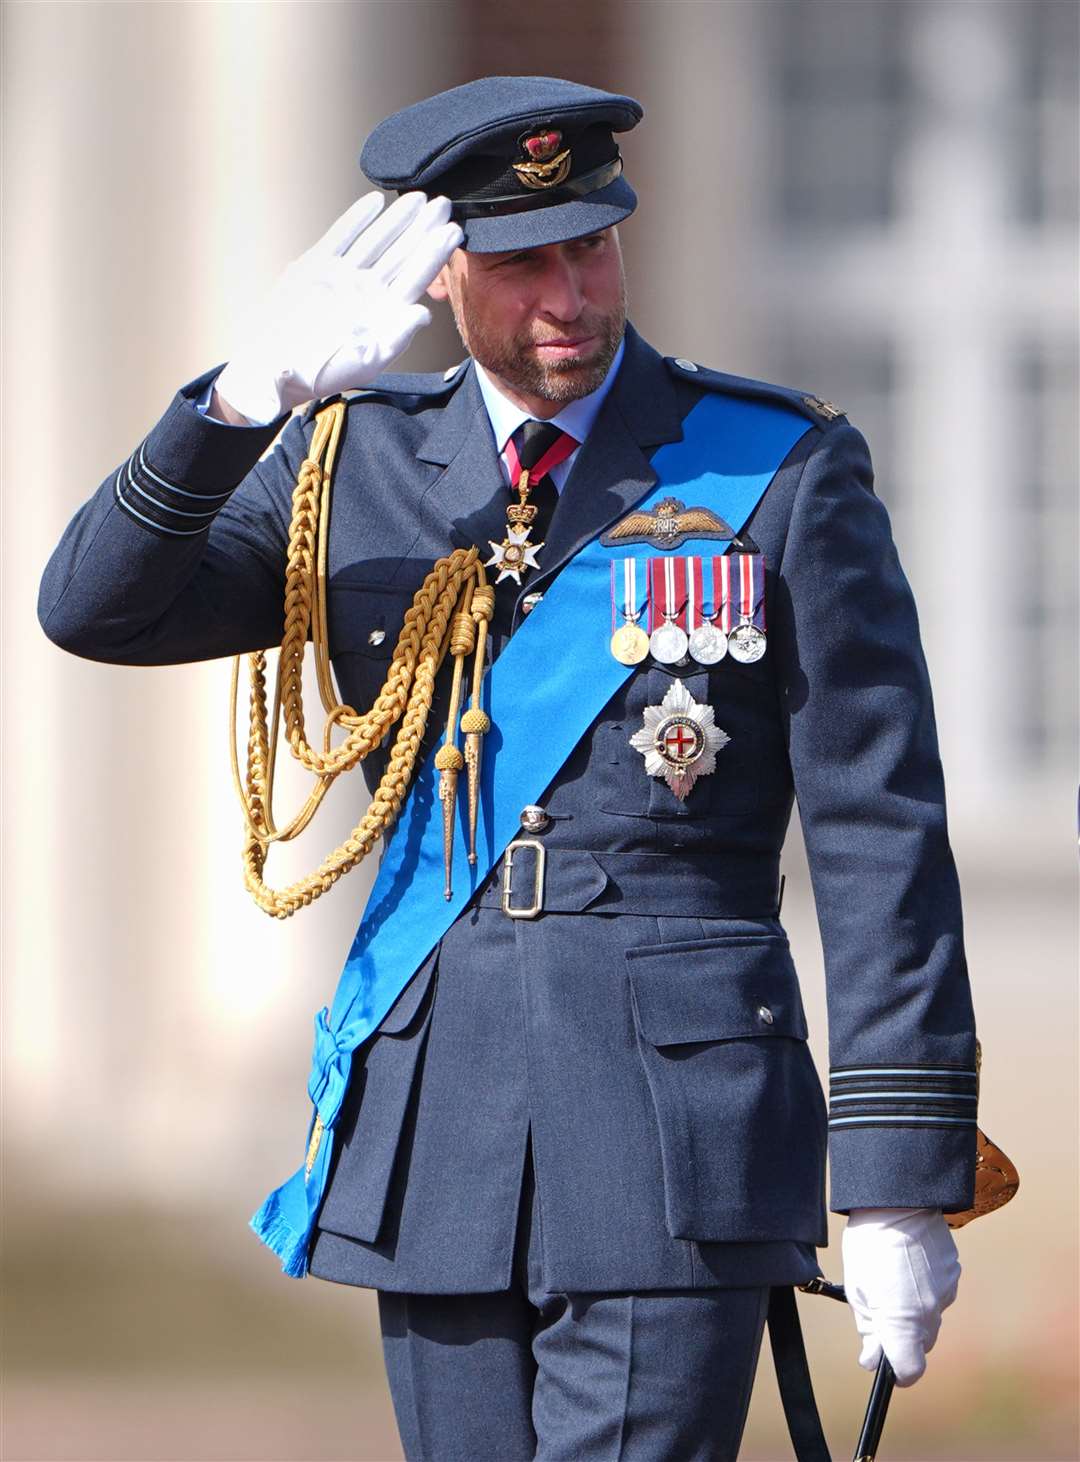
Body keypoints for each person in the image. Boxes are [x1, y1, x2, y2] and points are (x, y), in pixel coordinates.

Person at [38, 76, 977, 1461]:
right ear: (446, 271)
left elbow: (880, 830)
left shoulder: (772, 468)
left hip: (675, 1135)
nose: (571, 294)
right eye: (525, 260)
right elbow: (92, 608)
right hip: (442, 1134)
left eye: (590, 244)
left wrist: (899, 1177)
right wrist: (237, 400)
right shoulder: (346, 463)